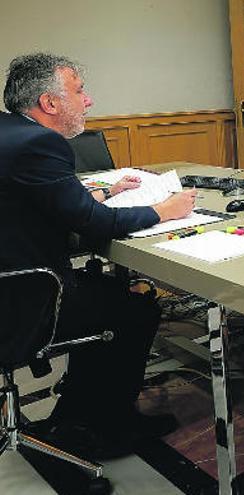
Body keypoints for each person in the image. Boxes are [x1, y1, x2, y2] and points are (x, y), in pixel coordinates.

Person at [0, 53, 197, 459]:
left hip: (12, 282)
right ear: (50, 104)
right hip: (22, 302)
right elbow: (94, 225)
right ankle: (107, 427)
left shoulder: (10, 133)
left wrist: (107, 192)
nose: (88, 101)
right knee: (135, 309)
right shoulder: (40, 143)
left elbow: (46, 202)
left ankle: (79, 412)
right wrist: (166, 211)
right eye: (79, 91)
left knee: (107, 293)